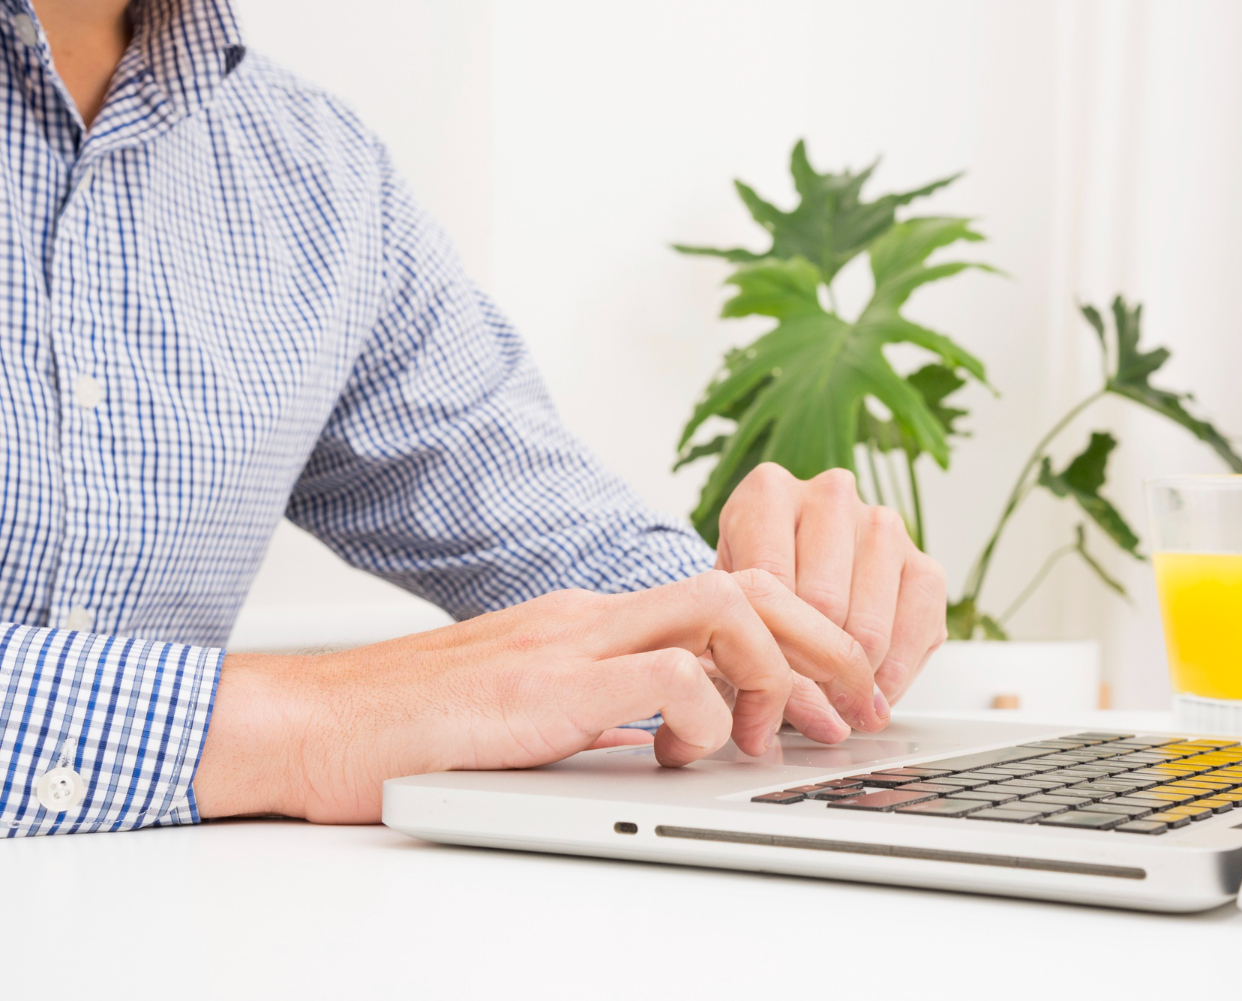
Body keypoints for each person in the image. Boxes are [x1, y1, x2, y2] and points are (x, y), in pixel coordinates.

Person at [0, 0, 946, 836]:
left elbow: (519, 505)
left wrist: (764, 607)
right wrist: (316, 720)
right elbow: (328, 720)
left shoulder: (313, 171)